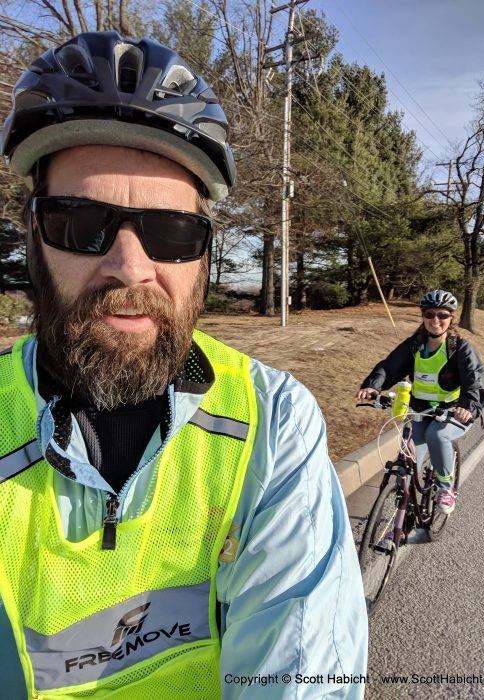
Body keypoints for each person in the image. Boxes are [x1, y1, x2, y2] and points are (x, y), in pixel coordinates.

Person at [0, 32, 367, 699]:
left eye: (169, 232)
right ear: (32, 237)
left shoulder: (270, 424)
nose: (131, 266)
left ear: (202, 256)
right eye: (81, 222)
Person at [356, 289, 484, 514]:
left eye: (442, 315)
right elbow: (389, 367)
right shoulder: (415, 345)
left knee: (437, 435)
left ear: (451, 318)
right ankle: (401, 522)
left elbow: (474, 383)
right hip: (420, 410)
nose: (435, 320)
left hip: (452, 412)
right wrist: (372, 386)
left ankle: (445, 488)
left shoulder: (460, 349)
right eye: (430, 314)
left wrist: (467, 407)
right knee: (408, 462)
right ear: (423, 316)